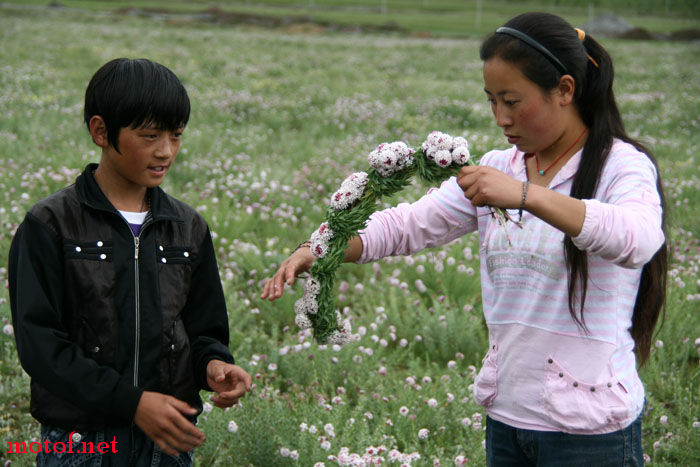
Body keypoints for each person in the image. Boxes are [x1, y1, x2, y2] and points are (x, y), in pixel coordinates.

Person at [262, 12, 667, 466]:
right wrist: (319, 249)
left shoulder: (620, 166)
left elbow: (638, 238)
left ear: (565, 90)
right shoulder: (501, 166)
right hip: (507, 420)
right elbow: (407, 225)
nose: (501, 118)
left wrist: (525, 196)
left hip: (589, 433)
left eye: (512, 101)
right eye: (492, 101)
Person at [9, 58, 252, 466]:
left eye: (176, 136)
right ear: (101, 132)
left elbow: (203, 328)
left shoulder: (188, 227)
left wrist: (213, 365)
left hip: (167, 443)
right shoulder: (49, 224)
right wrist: (132, 402)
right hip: (80, 442)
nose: (166, 151)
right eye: (150, 135)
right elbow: (41, 348)